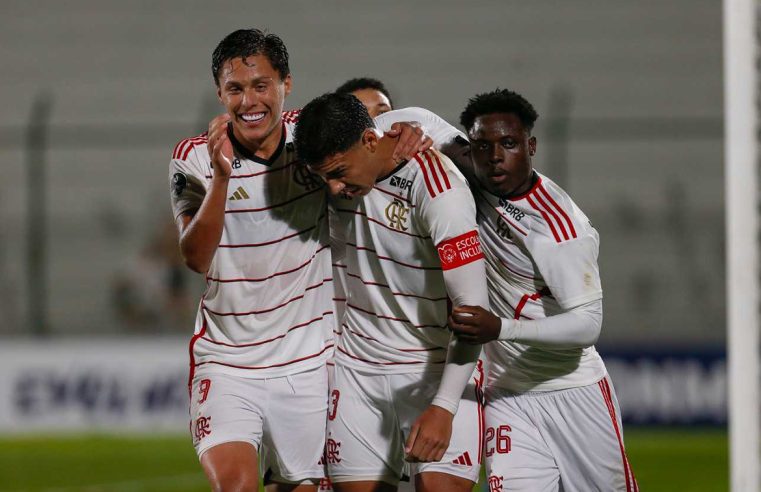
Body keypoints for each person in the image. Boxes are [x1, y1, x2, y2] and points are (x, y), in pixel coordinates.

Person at [169, 29, 435, 492]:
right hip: (228, 362)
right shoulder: (194, 158)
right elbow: (196, 258)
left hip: (309, 361)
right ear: (220, 93)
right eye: (235, 89)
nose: (249, 100)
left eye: (261, 85)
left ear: (286, 84)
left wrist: (415, 132)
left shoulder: (312, 143)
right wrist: (222, 178)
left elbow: (370, 138)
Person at [294, 93, 489, 492]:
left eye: (338, 172)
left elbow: (474, 312)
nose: (332, 189)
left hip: (433, 373)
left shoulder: (439, 189)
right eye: (323, 177)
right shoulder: (351, 172)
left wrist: (444, 406)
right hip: (357, 373)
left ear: (369, 141)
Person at [447, 89, 638, 492]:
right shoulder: (471, 175)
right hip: (507, 397)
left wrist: (500, 328)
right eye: (484, 145)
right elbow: (426, 126)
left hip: (572, 393)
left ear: (531, 146)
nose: (496, 155)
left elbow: (588, 325)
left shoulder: (558, 229)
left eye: (510, 144)